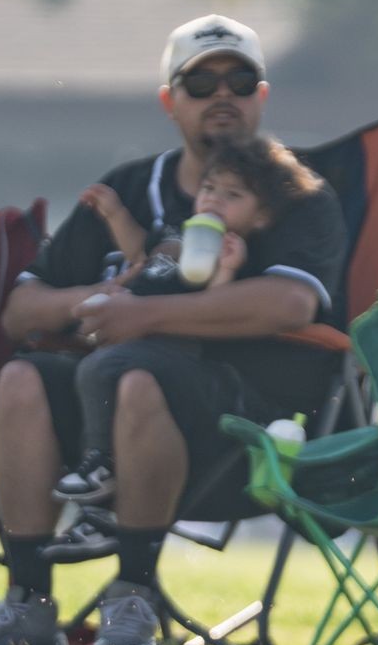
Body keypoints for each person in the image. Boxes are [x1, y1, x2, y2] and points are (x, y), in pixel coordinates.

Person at [0, 15, 347, 645]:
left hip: (238, 426)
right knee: (22, 376)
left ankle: (131, 597)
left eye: (239, 80)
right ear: (170, 100)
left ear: (262, 96)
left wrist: (141, 316)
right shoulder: (127, 191)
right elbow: (22, 311)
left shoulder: (295, 195)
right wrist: (96, 300)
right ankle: (27, 602)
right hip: (95, 418)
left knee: (141, 376)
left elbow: (290, 301)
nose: (222, 94)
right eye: (201, 82)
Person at [56, 136, 324, 505]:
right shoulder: (179, 231)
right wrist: (115, 214)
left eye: (233, 196)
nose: (214, 200)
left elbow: (215, 305)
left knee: (100, 370)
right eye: (209, 188)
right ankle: (101, 472)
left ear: (261, 216)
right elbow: (140, 249)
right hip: (128, 327)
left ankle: (101, 460)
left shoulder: (234, 250)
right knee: (92, 362)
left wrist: (226, 268)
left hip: (171, 345)